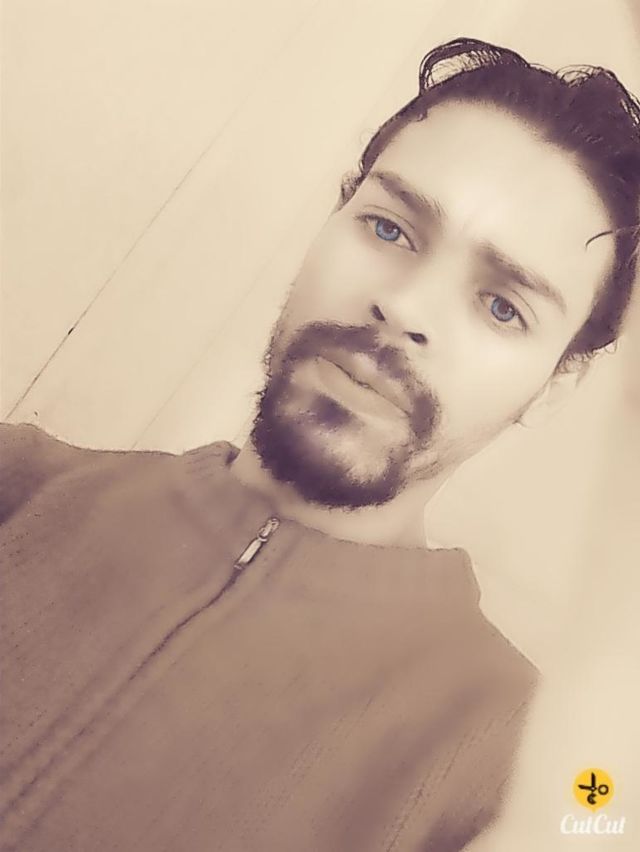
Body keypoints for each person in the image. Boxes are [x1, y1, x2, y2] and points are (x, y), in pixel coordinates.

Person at [1, 37, 639, 852]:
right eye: (389, 228)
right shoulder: (20, 486)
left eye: (503, 306)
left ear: (551, 386)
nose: (406, 306)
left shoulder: (522, 776)